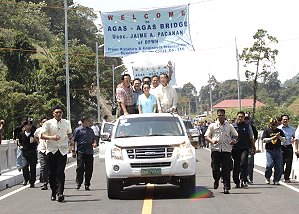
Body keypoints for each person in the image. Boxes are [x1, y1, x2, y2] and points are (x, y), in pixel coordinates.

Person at [41, 106, 73, 202]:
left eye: (60, 112)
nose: (58, 114)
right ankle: (53, 191)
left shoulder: (66, 123)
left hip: (62, 150)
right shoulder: (48, 123)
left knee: (60, 172)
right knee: (52, 173)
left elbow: (69, 133)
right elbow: (42, 136)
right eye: (56, 112)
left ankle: (60, 192)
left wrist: (70, 140)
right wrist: (52, 137)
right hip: (51, 150)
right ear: (53, 113)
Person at [205, 109, 238, 194]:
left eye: (222, 115)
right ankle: (216, 179)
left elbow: (236, 135)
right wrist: (212, 141)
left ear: (224, 116)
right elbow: (206, 136)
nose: (221, 117)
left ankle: (226, 186)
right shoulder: (212, 126)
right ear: (217, 116)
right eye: (219, 115)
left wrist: (233, 141)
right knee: (215, 168)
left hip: (226, 150)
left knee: (226, 169)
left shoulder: (229, 126)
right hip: (216, 149)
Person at [72, 116, 97, 191]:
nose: (88, 123)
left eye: (88, 121)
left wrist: (94, 143)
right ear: (83, 122)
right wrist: (73, 150)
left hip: (89, 151)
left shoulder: (91, 130)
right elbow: (73, 140)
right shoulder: (78, 130)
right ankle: (78, 183)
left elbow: (94, 139)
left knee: (89, 168)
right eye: (86, 121)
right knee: (80, 167)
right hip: (81, 151)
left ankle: (87, 184)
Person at [232, 111, 255, 188]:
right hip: (235, 149)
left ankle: (243, 180)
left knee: (243, 163)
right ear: (236, 117)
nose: (240, 118)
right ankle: (236, 181)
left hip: (244, 148)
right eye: (239, 116)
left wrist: (253, 146)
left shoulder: (247, 126)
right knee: (236, 165)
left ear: (244, 118)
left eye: (242, 117)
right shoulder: (232, 126)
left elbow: (251, 137)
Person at [262, 118, 286, 185]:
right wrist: (273, 138)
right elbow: (264, 140)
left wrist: (279, 137)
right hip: (269, 150)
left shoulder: (280, 131)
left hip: (278, 150)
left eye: (275, 124)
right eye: (273, 124)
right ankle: (267, 177)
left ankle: (276, 180)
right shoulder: (267, 131)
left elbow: (284, 140)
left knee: (278, 166)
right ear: (270, 124)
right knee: (269, 165)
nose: (274, 126)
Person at [18, 120, 38, 188]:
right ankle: (26, 179)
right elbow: (19, 142)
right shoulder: (21, 134)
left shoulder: (34, 134)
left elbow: (38, 142)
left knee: (33, 168)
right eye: (27, 125)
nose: (28, 126)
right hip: (24, 153)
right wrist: (20, 146)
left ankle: (32, 182)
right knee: (24, 167)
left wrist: (35, 141)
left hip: (32, 152)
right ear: (24, 126)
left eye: (29, 125)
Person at [277, 114, 297, 183]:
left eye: (286, 119)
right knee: (280, 163)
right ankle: (278, 176)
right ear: (281, 120)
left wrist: (293, 140)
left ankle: (287, 177)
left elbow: (295, 137)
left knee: (289, 163)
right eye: (284, 119)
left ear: (288, 120)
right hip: (280, 147)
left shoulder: (292, 129)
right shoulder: (278, 128)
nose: (285, 120)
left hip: (289, 147)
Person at [34, 116, 49, 190]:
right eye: (43, 122)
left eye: (46, 121)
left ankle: (52, 181)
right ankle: (44, 183)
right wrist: (39, 142)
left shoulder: (51, 130)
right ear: (41, 123)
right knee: (43, 167)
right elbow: (35, 136)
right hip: (42, 150)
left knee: (50, 167)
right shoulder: (38, 130)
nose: (45, 123)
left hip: (51, 150)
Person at [245, 114, 258, 184]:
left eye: (247, 119)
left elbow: (255, 136)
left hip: (249, 147)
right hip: (240, 147)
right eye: (245, 118)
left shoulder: (252, 127)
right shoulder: (237, 126)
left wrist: (253, 145)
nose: (246, 120)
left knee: (250, 163)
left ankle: (250, 178)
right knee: (242, 163)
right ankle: (243, 178)